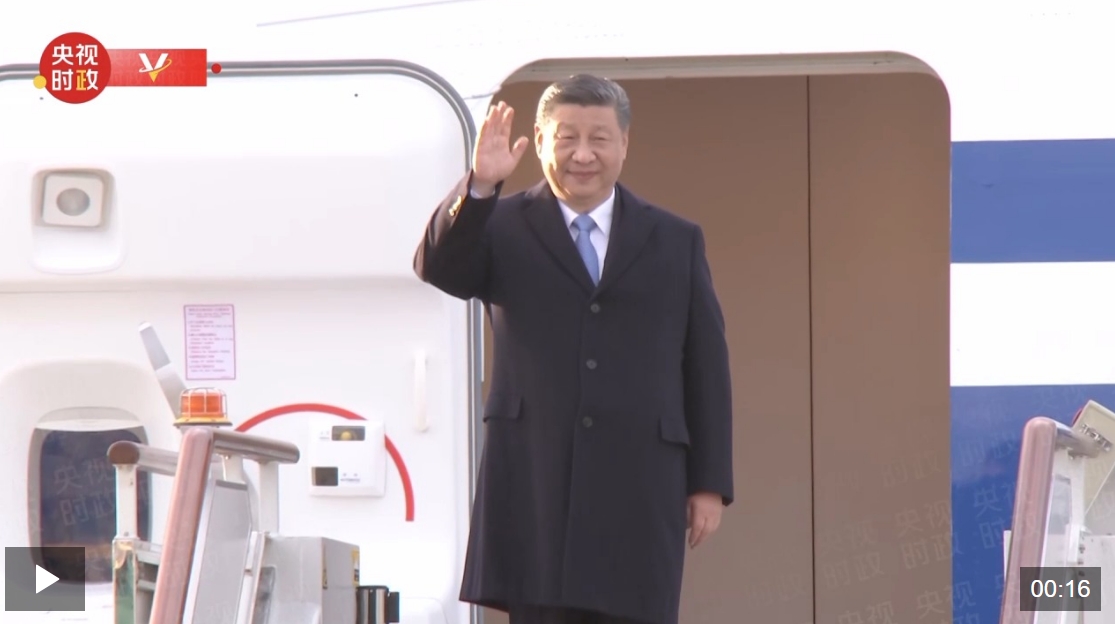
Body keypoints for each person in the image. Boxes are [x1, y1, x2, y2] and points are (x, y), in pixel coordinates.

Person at [413, 74, 734, 624]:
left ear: (624, 144)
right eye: (566, 139)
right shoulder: (500, 223)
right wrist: (481, 185)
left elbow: (705, 365)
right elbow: (438, 268)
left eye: (599, 139)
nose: (582, 155)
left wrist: (709, 484)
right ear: (540, 142)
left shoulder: (675, 238)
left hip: (640, 483)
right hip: (536, 482)